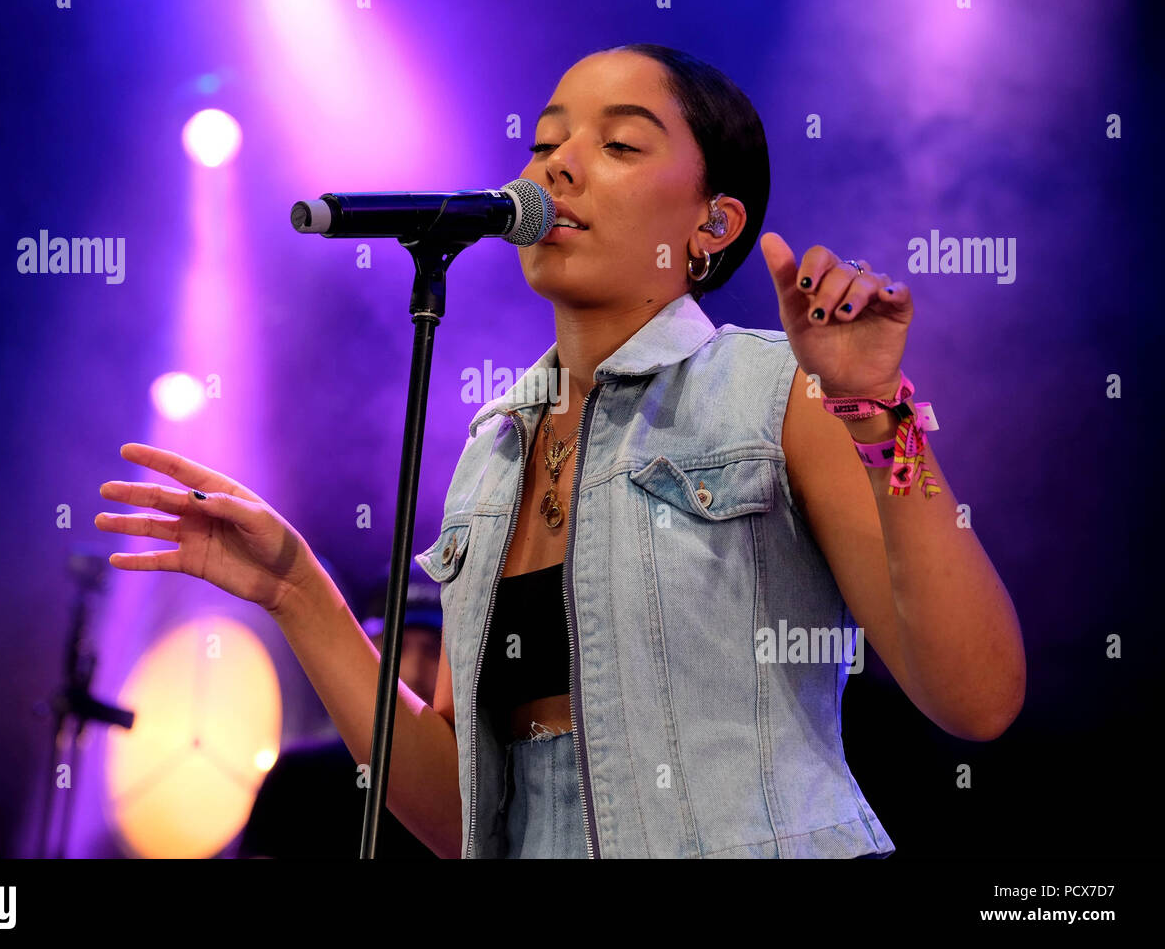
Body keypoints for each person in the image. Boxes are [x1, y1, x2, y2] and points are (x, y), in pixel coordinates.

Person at [95, 42, 1025, 859]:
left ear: (713, 224)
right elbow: (462, 820)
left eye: (618, 144)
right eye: (544, 144)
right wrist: (299, 593)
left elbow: (976, 697)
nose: (558, 168)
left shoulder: (777, 392)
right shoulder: (492, 454)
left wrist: (877, 413)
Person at [237, 563, 442, 859]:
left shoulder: (476, 794)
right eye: (397, 645)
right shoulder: (298, 781)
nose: (412, 672)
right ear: (365, 647)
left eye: (435, 650)